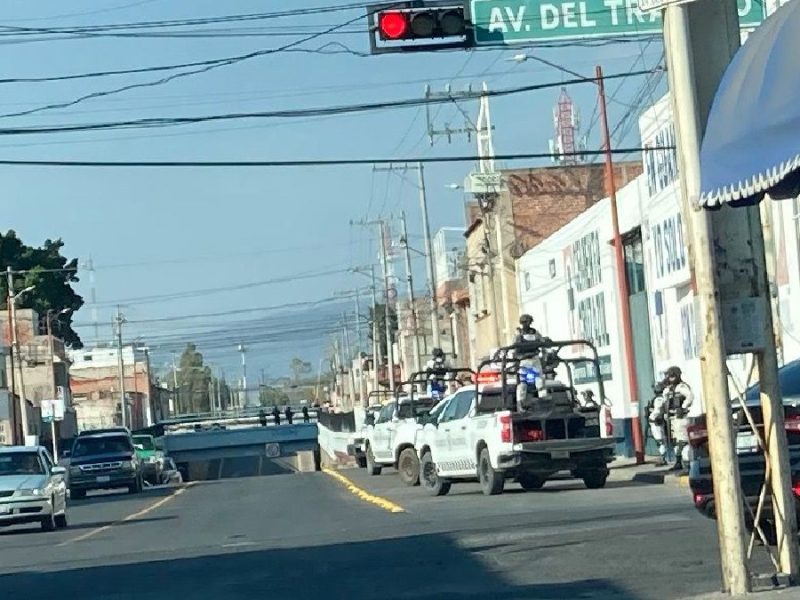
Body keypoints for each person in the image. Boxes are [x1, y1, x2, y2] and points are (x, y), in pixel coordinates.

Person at [663, 366, 694, 472]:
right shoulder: (667, 389)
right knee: (675, 441)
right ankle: (678, 461)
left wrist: (683, 407)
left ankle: (685, 462)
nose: (670, 379)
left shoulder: (682, 387)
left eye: (671, 376)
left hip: (681, 418)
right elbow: (665, 402)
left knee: (683, 440)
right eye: (668, 376)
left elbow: (690, 397)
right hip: (671, 418)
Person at [647, 381, 670, 466]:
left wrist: (652, 416)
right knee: (660, 441)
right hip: (656, 422)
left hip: (656, 422)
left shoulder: (659, 399)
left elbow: (657, 411)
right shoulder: (660, 398)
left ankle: (663, 459)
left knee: (660, 441)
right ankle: (663, 457)